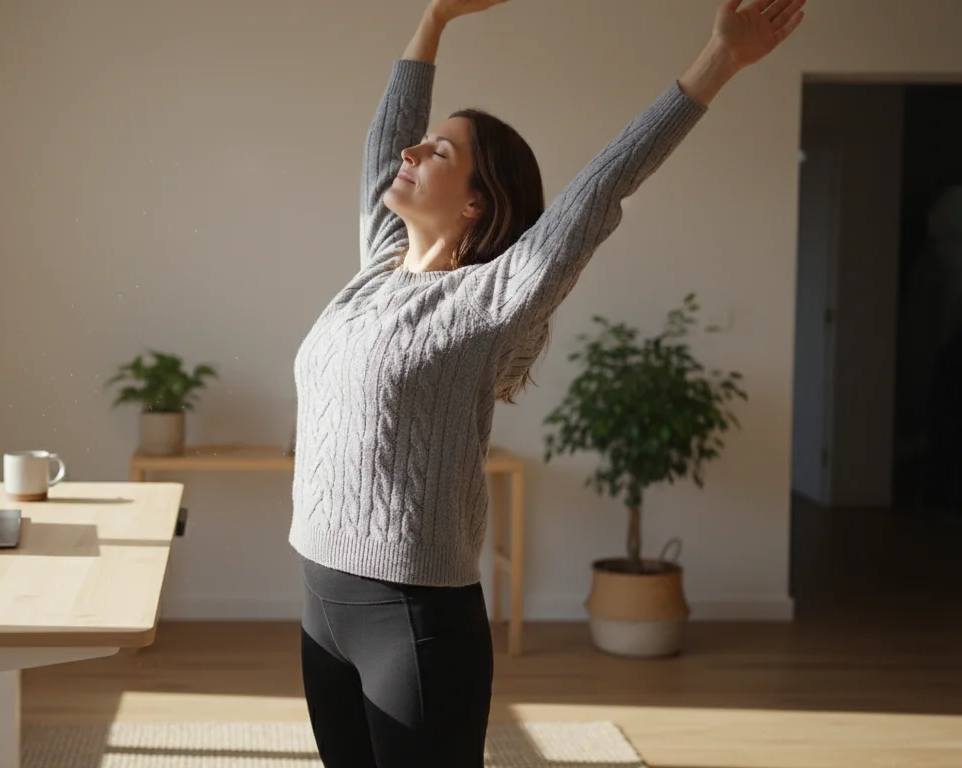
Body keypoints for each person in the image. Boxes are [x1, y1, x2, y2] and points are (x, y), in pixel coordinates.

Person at [287, 0, 806, 765]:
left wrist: (719, 60)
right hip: (319, 600)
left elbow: (600, 191)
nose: (409, 152)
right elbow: (385, 135)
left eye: (436, 151)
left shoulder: (489, 301)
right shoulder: (376, 272)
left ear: (474, 203)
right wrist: (435, 18)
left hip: (412, 619)